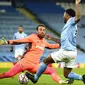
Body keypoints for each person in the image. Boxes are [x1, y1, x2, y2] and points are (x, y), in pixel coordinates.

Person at [25, 0, 85, 84]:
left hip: (66, 51)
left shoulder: (71, 21)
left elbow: (78, 18)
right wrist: (52, 38)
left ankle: (35, 78)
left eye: (64, 14)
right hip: (73, 53)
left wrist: (77, 5)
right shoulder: (69, 27)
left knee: (45, 61)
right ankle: (82, 78)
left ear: (67, 15)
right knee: (66, 74)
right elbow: (62, 42)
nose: (63, 16)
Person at [0, 24, 67, 84]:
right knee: (9, 74)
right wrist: (7, 42)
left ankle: (60, 81)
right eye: (40, 30)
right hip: (24, 63)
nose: (42, 31)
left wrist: (60, 45)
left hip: (35, 66)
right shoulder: (32, 37)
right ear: (37, 31)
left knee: (52, 70)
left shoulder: (44, 41)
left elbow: (51, 46)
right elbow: (19, 41)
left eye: (43, 30)